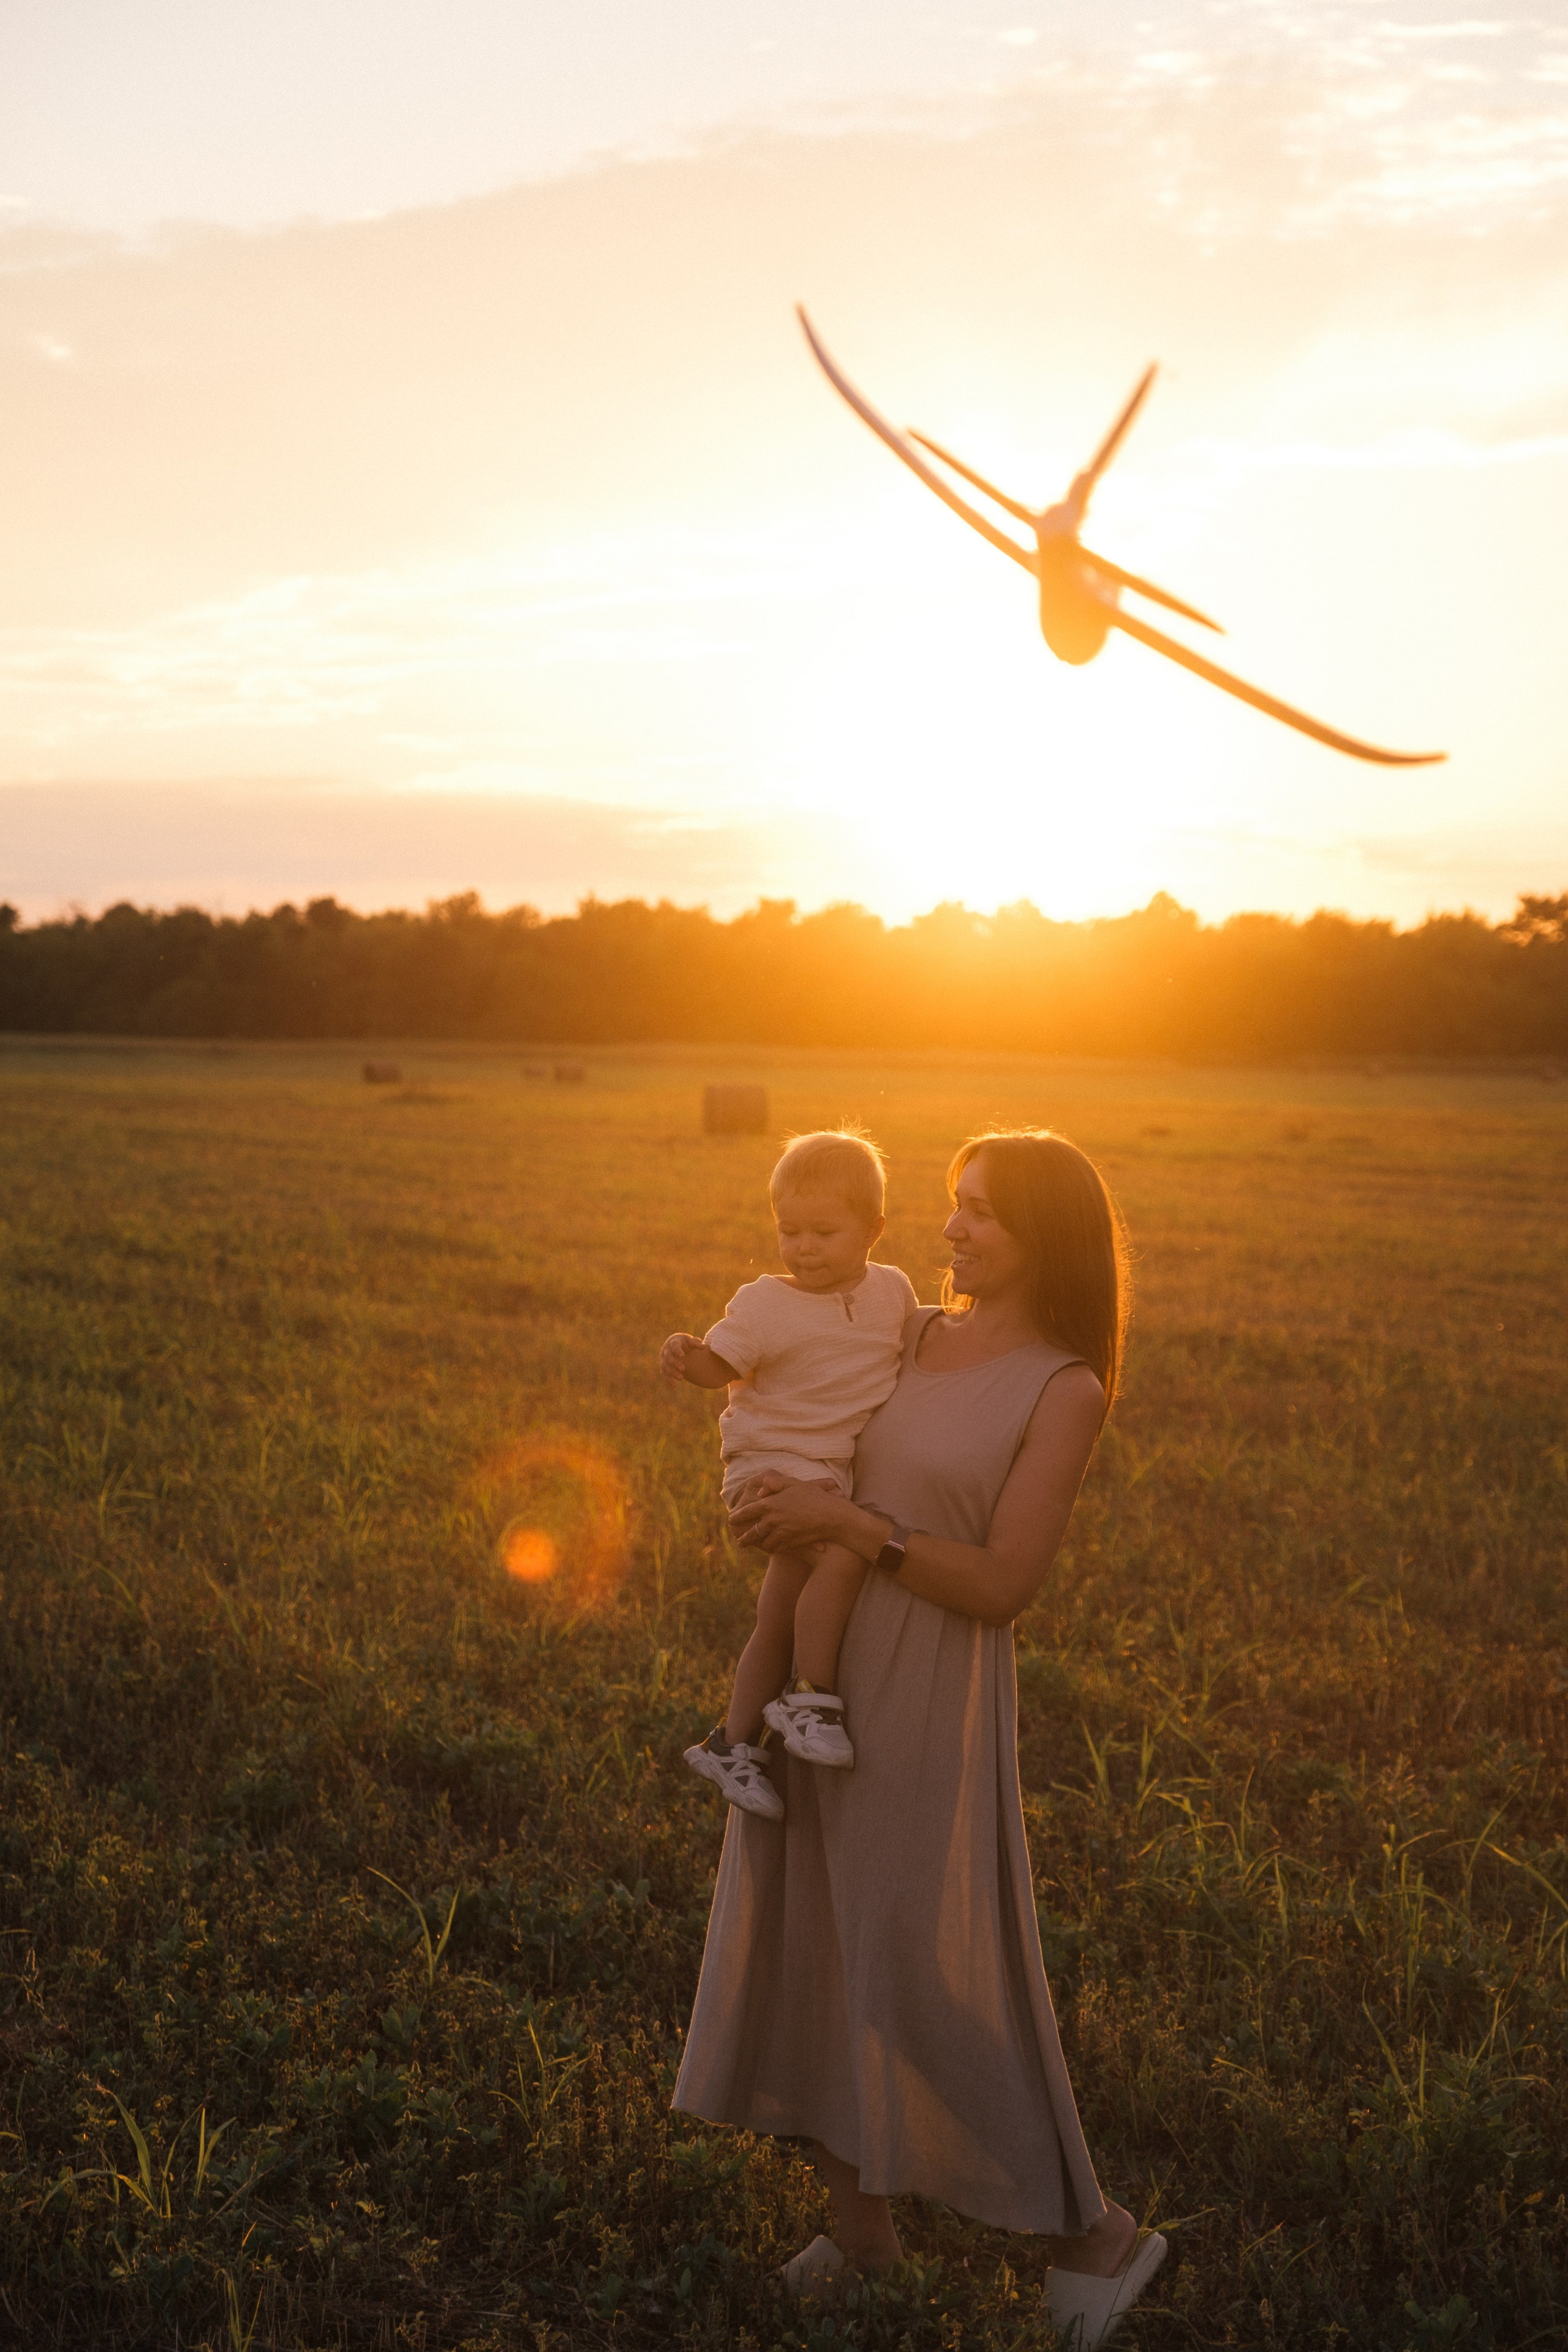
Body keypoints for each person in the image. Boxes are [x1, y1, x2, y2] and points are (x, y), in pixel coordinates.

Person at [671, 1128, 1167, 2350]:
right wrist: (767, 1501)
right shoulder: (901, 1330)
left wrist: (857, 1528)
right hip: (818, 1686)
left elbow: (1004, 1584)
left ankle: (1090, 2231)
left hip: (929, 1688)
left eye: (982, 1211)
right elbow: (795, 1406)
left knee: (924, 1964)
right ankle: (861, 2234)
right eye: (952, 1204)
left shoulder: (1062, 1387)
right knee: (819, 1943)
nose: (950, 1228)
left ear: (1042, 1235)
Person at [661, 1129, 919, 1820]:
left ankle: (730, 1742)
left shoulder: (892, 1290)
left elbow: (918, 1344)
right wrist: (689, 1354)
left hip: (827, 1472)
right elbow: (723, 1366)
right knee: (845, 1549)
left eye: (824, 1233)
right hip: (768, 1469)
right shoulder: (765, 1302)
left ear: (874, 1229)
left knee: (776, 1616)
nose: (803, 1247)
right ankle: (811, 1699)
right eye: (789, 1230)